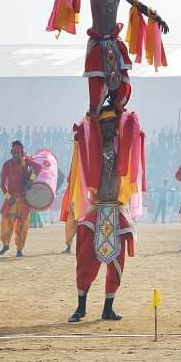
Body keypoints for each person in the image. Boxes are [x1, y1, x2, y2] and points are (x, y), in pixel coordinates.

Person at [46, 0, 170, 117]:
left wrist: (158, 18)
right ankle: (92, 130)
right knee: (95, 101)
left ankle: (116, 130)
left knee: (121, 94)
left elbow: (138, 5)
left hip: (114, 43)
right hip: (96, 45)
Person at [65, 105, 146, 322]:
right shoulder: (93, 150)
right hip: (97, 208)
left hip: (117, 208)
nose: (109, 127)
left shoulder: (124, 149)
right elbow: (83, 137)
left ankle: (107, 309)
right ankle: (80, 308)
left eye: (112, 123)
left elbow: (134, 133)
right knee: (84, 260)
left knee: (117, 262)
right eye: (105, 123)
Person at [0, 141, 41, 257]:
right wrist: (9, 197)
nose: (16, 155)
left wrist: (31, 180)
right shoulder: (6, 165)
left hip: (23, 198)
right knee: (5, 220)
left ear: (21, 153)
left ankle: (19, 249)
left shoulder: (25, 161)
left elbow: (38, 167)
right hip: (11, 198)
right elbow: (2, 185)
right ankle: (5, 245)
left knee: (23, 224)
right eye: (14, 153)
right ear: (11, 152)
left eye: (18, 153)